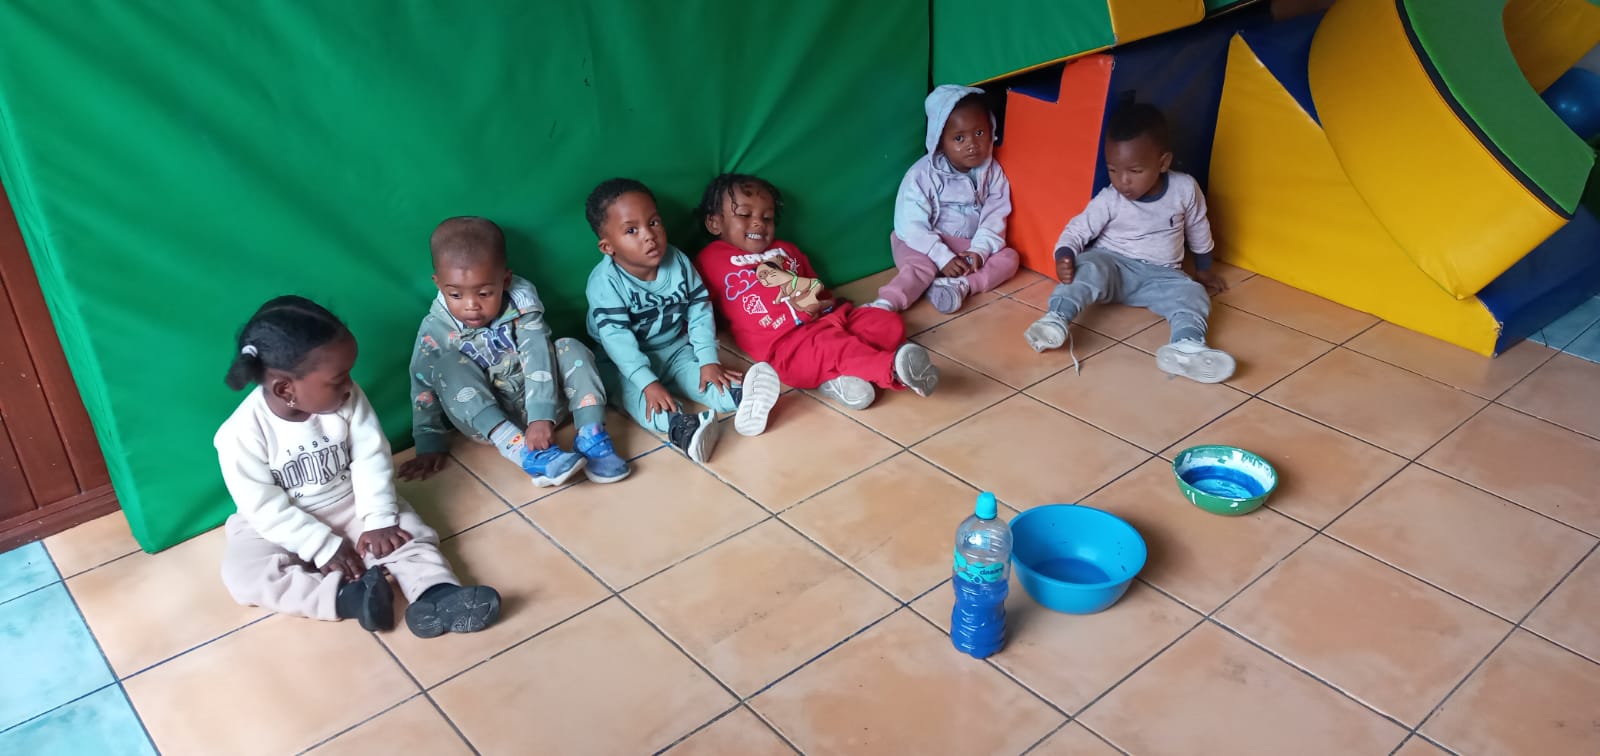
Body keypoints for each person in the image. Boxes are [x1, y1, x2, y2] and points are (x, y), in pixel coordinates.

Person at [215, 296, 500, 636]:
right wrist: (321, 546)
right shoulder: (239, 435)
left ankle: (436, 593)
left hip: (351, 500)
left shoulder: (347, 400)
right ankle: (347, 599)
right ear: (285, 388)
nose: (349, 386)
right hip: (277, 523)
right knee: (244, 575)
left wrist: (378, 520)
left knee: (406, 533)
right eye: (338, 379)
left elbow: (371, 456)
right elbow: (262, 507)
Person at [399, 216, 628, 487]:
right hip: (488, 422)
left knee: (570, 347)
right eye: (456, 295)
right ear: (439, 284)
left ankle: (591, 434)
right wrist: (428, 441)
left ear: (505, 280)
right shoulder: (435, 327)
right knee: (447, 366)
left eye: (484, 293)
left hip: (549, 407)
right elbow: (422, 384)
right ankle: (525, 452)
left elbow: (538, 352)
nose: (471, 305)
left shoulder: (522, 305)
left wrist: (541, 416)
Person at [1024, 103, 1236, 383]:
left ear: (1163, 162)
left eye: (1135, 171)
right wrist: (1064, 254)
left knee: (1193, 294)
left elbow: (1198, 226)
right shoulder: (1110, 199)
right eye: (1113, 170)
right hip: (1113, 266)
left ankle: (1187, 345)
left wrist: (1204, 269)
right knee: (1087, 266)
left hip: (1162, 276)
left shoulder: (1184, 189)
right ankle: (1056, 318)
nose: (1123, 181)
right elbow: (1078, 229)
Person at [694, 173, 940, 410]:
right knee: (830, 346)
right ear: (714, 223)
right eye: (745, 214)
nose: (759, 222)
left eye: (767, 217)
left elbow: (816, 288)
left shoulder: (786, 249)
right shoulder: (710, 260)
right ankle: (892, 369)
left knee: (887, 323)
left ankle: (838, 378)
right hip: (788, 347)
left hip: (829, 319)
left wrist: (828, 306)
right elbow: (696, 307)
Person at [584, 178, 781, 463]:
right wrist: (647, 383)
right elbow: (617, 342)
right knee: (646, 402)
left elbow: (699, 309)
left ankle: (744, 399)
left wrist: (708, 360)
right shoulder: (605, 283)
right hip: (621, 365)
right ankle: (683, 428)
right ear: (608, 246)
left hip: (675, 348)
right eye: (631, 230)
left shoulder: (677, 262)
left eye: (653, 222)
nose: (649, 236)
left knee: (707, 379)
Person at [871, 84, 1021, 314]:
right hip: (921, 243)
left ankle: (960, 286)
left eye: (979, 133)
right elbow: (910, 226)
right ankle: (886, 305)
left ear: (991, 129)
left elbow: (995, 215)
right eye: (959, 138)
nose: (972, 144)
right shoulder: (921, 175)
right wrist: (941, 257)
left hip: (965, 247)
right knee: (920, 268)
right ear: (940, 141)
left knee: (1010, 258)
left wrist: (978, 251)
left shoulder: (992, 172)